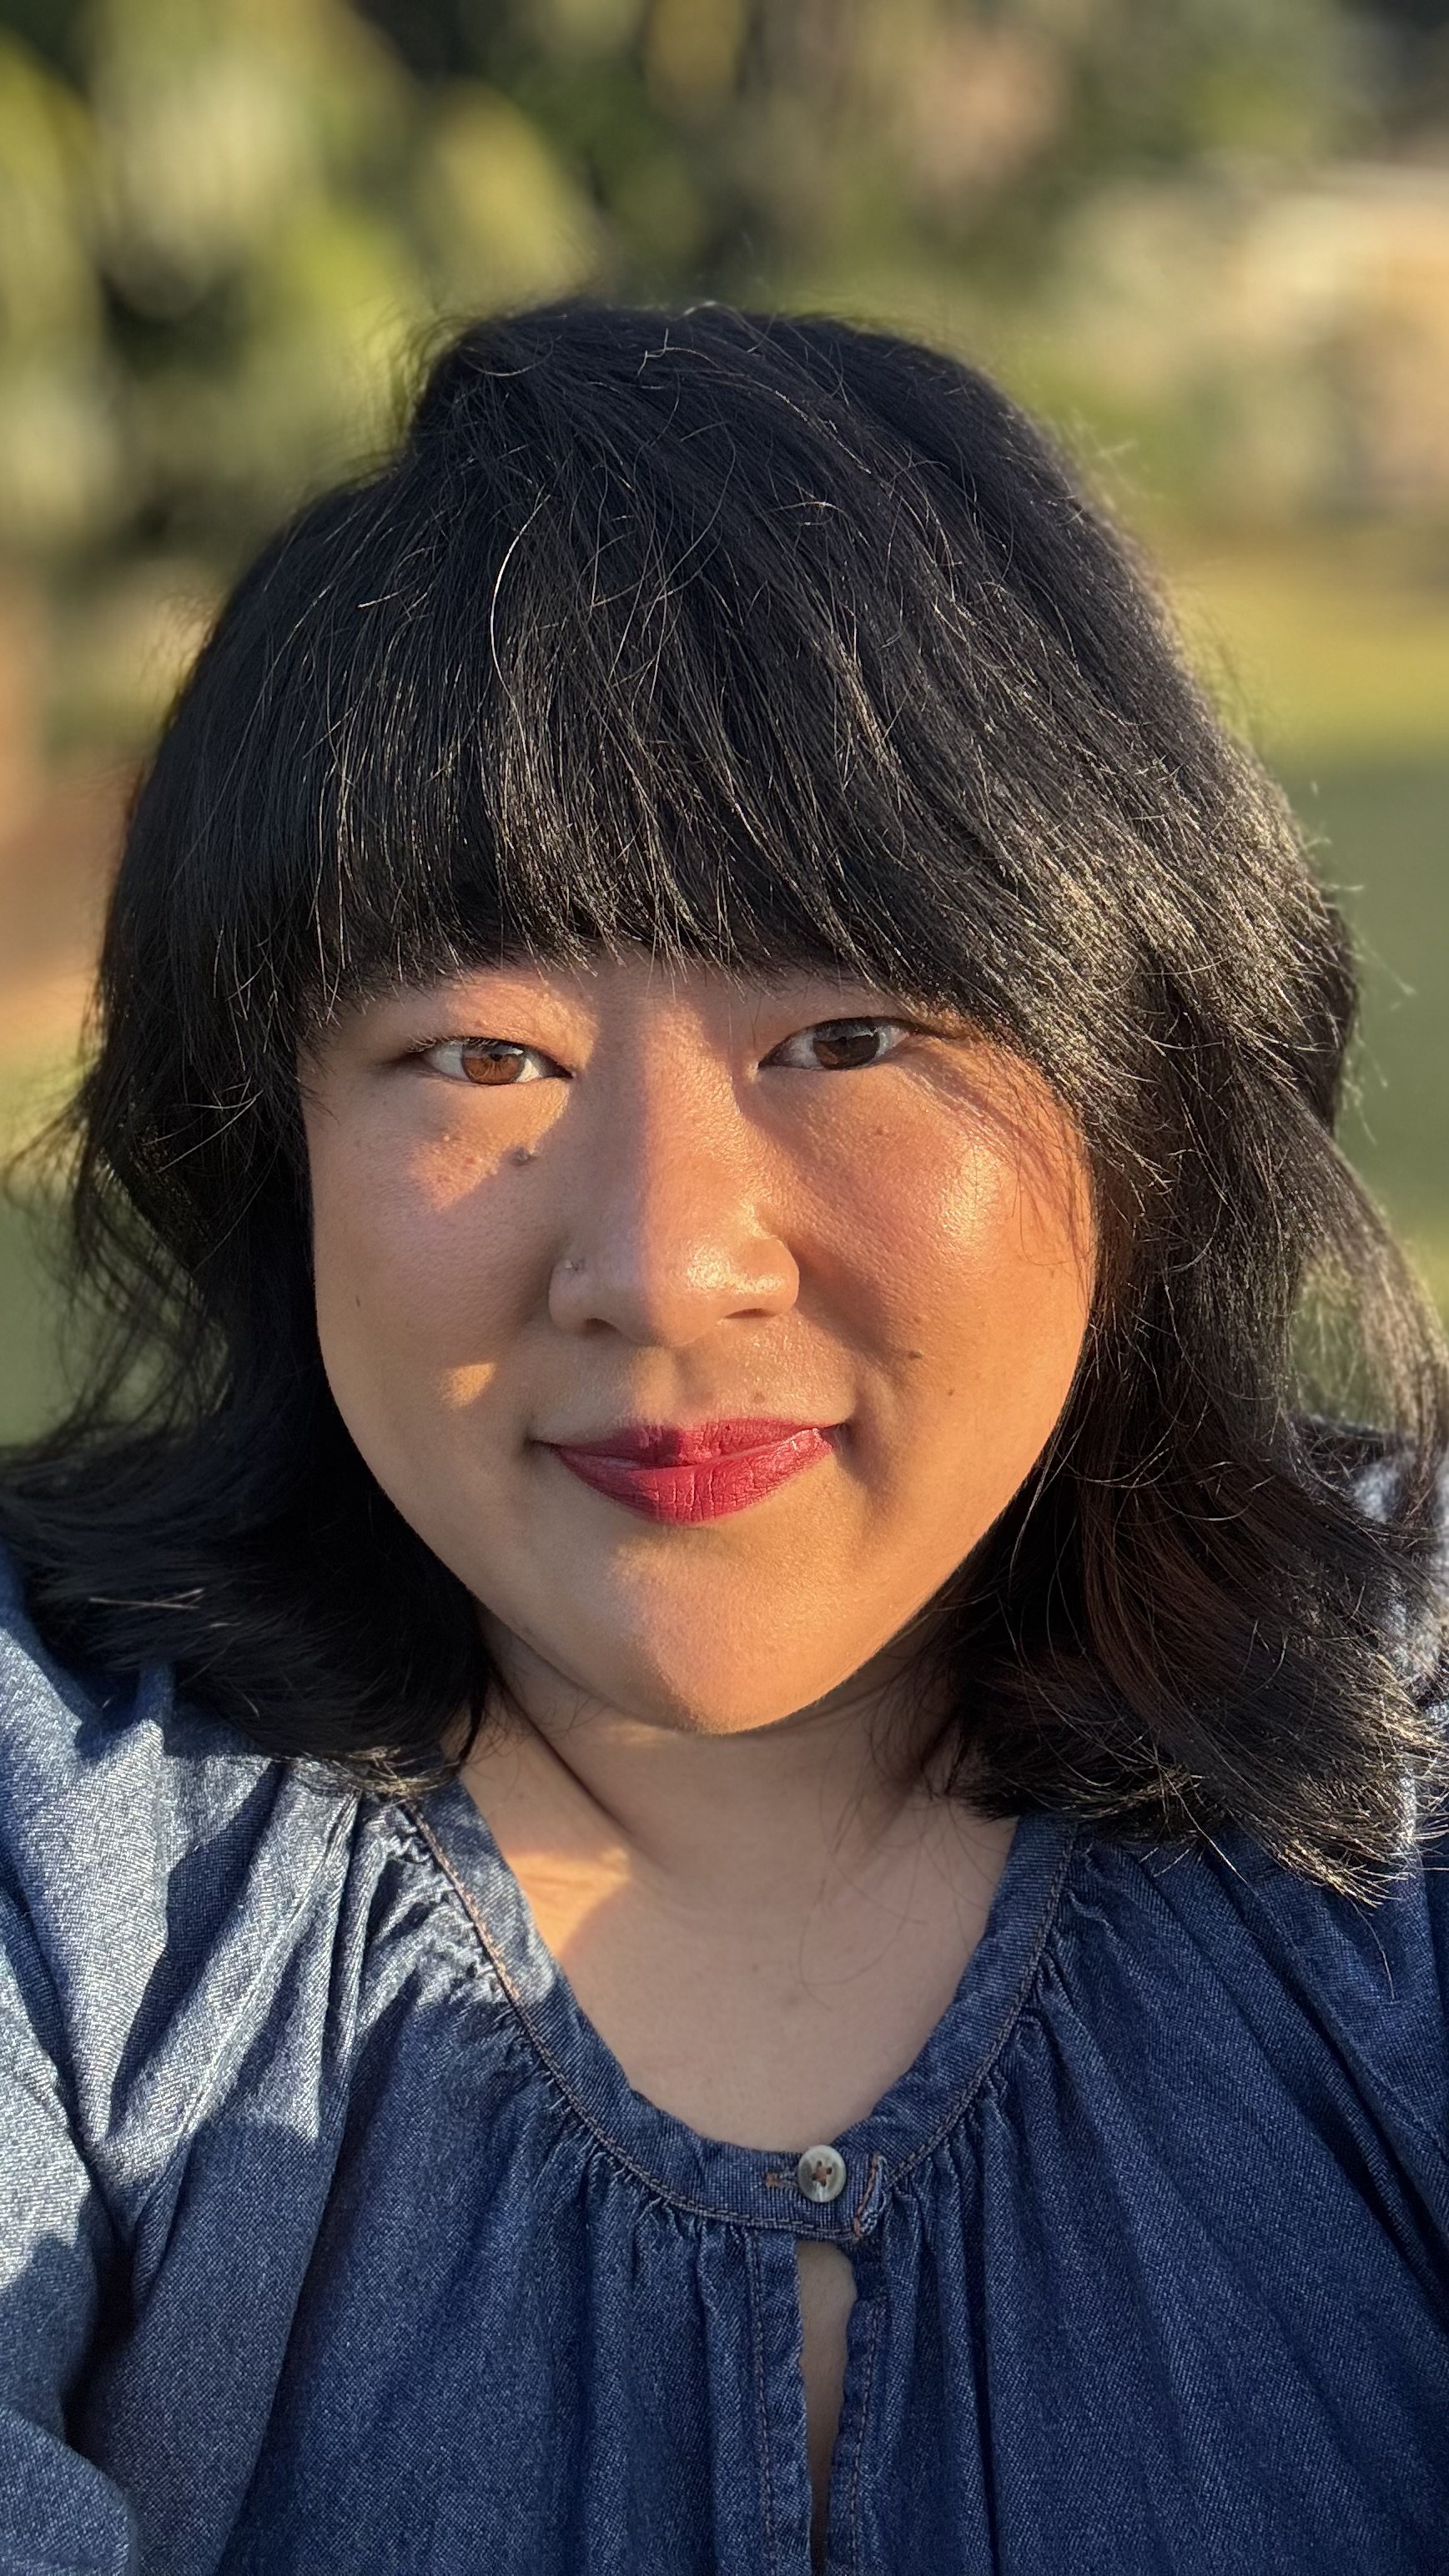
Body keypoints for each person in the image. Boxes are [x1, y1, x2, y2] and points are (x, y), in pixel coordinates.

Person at [1, 299, 1446, 2576]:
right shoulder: (53, 1846)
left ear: (1145, 1073)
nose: (666, 1265)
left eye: (850, 1028)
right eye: (478, 1055)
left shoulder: (1411, 1753)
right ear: (268, 1137)